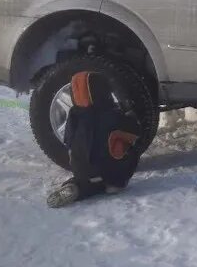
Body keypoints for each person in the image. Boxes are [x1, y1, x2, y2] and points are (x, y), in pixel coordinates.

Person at [47, 71, 143, 208]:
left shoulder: (74, 115)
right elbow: (135, 133)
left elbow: (67, 141)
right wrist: (130, 115)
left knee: (88, 180)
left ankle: (79, 186)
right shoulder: (111, 115)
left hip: (81, 169)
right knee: (130, 145)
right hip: (109, 171)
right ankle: (115, 183)